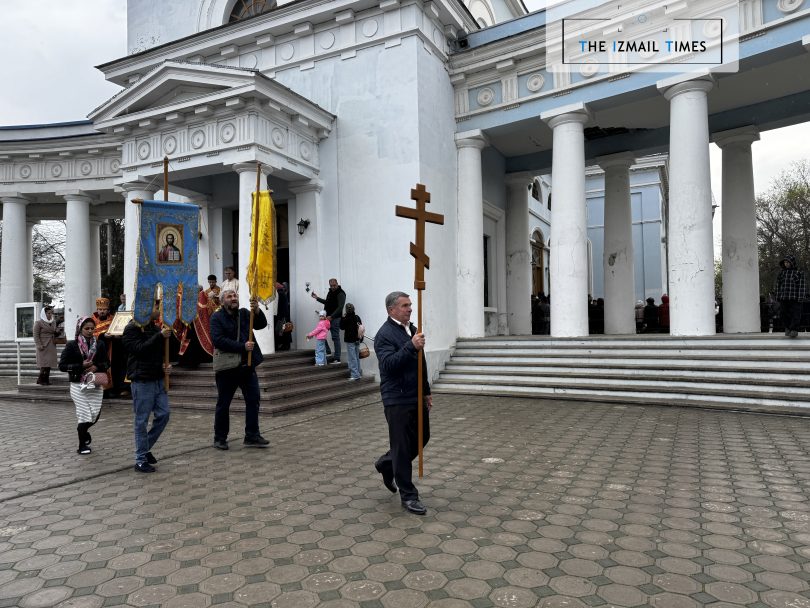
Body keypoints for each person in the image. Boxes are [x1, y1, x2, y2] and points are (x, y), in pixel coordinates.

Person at [373, 291, 431, 516]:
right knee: (402, 446)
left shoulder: (412, 330)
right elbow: (388, 365)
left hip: (415, 395)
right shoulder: (384, 335)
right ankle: (408, 496)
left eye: (410, 304)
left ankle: (387, 464)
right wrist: (411, 346)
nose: (410, 308)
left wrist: (426, 391)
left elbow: (421, 362)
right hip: (396, 398)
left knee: (423, 437)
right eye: (405, 305)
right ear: (391, 310)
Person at [210, 289, 270, 450]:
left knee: (253, 400)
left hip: (247, 367)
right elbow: (218, 340)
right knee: (224, 404)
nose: (233, 298)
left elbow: (261, 325)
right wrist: (242, 346)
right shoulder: (216, 317)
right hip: (227, 369)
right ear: (222, 301)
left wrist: (257, 311)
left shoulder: (244, 313)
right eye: (229, 296)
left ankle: (252, 435)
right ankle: (220, 438)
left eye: (235, 295)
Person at [122, 300, 173, 472]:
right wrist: (159, 336)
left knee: (164, 414)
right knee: (141, 420)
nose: (159, 309)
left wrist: (165, 365)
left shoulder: (156, 328)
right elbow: (139, 349)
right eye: (156, 307)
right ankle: (140, 460)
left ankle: (144, 448)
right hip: (142, 380)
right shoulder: (131, 328)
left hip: (158, 378)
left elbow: (160, 353)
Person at [59, 317, 110, 455]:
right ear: (80, 329)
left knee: (95, 415)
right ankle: (82, 445)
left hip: (95, 384)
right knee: (84, 414)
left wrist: (96, 366)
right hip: (78, 384)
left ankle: (83, 431)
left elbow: (107, 363)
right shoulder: (72, 345)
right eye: (86, 328)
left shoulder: (100, 344)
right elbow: (62, 366)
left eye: (92, 328)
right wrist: (80, 366)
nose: (90, 331)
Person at [311, 278, 346, 363]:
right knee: (320, 334)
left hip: (335, 319)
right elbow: (327, 302)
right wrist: (317, 298)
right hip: (327, 318)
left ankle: (337, 358)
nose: (333, 287)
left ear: (337, 284)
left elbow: (340, 307)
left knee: (335, 337)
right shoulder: (330, 292)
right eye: (331, 286)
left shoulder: (341, 293)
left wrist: (332, 316)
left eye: (334, 285)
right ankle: (328, 351)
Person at [776, 255, 806, 338]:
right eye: (785, 262)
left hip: (795, 298)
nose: (786, 264)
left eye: (788, 262)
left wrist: (800, 297)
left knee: (795, 314)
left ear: (792, 263)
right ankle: (788, 328)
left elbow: (802, 286)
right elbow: (778, 285)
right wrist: (778, 296)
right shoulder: (781, 273)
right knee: (783, 313)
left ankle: (794, 329)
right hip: (784, 298)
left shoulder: (798, 273)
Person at [33, 305, 58, 385]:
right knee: (44, 364)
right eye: (48, 313)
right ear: (44, 313)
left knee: (49, 363)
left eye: (51, 313)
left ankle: (45, 379)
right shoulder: (38, 323)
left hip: (51, 345)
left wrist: (57, 332)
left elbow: (53, 332)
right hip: (43, 345)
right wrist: (38, 345)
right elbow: (35, 335)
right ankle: (42, 379)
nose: (50, 315)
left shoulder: (53, 322)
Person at [342, 303, 363, 380]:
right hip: (357, 339)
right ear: (354, 309)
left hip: (350, 340)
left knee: (352, 357)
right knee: (356, 357)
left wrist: (343, 317)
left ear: (346, 310)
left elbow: (341, 327)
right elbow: (361, 328)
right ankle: (358, 373)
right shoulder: (357, 317)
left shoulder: (346, 318)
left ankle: (355, 375)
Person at [274, 281, 292, 351]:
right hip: (285, 315)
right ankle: (285, 345)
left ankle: (285, 345)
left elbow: (279, 306)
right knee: (285, 330)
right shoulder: (283, 293)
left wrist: (279, 316)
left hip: (282, 316)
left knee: (284, 330)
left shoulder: (280, 294)